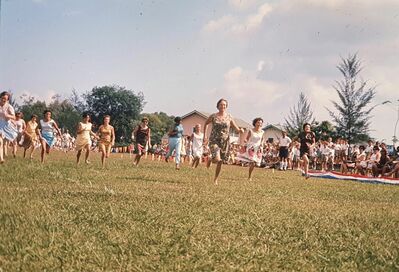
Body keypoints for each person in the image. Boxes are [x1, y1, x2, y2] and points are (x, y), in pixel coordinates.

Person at [203, 98, 244, 184]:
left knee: (220, 161)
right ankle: (212, 158)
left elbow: (236, 128)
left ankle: (215, 179)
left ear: (226, 107)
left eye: (224, 105)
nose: (223, 106)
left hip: (225, 141)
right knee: (218, 159)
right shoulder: (213, 116)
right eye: (221, 105)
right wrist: (205, 136)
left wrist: (240, 131)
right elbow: (206, 124)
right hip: (214, 139)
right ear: (218, 106)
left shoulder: (229, 117)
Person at [0, 91, 17, 163]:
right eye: (3, 98)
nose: (4, 100)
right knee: (0, 141)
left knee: (1, 142)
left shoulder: (9, 107)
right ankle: (1, 159)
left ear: (7, 100)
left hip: (5, 125)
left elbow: (14, 117)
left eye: (6, 99)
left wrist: (8, 116)